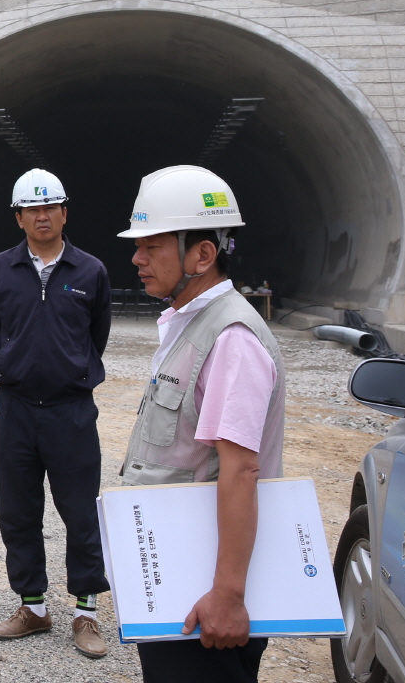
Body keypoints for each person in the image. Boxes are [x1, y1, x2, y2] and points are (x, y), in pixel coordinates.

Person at [117, 166, 285, 681]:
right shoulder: (189, 322)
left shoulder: (232, 338)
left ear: (202, 255)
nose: (136, 258)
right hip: (176, 572)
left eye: (151, 246)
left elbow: (240, 470)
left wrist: (229, 596)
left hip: (205, 591)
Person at [0, 168, 112, 658]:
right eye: (32, 209)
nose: (42, 215)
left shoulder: (90, 271)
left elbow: (95, 337)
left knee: (80, 512)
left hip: (71, 411)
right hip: (15, 409)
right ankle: (33, 607)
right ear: (18, 218)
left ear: (64, 212)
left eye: (51, 206)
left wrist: (68, 369)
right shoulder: (0, 269)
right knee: (18, 512)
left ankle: (86, 614)